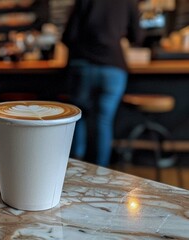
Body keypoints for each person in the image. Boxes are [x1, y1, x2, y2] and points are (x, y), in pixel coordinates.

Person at [62, 0, 142, 167]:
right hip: (113, 67)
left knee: (78, 117)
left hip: (83, 66)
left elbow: (69, 36)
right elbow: (137, 36)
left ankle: (74, 169)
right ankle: (100, 172)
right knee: (103, 121)